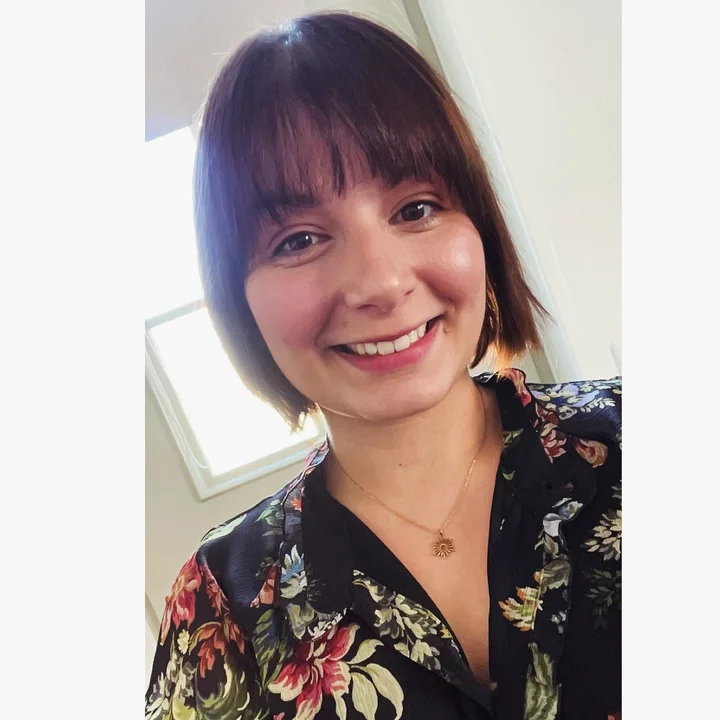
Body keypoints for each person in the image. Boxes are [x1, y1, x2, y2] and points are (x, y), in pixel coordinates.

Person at [145, 12, 621, 720]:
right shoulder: (222, 608)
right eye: (299, 240)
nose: (381, 282)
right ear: (236, 295)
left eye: (416, 208)